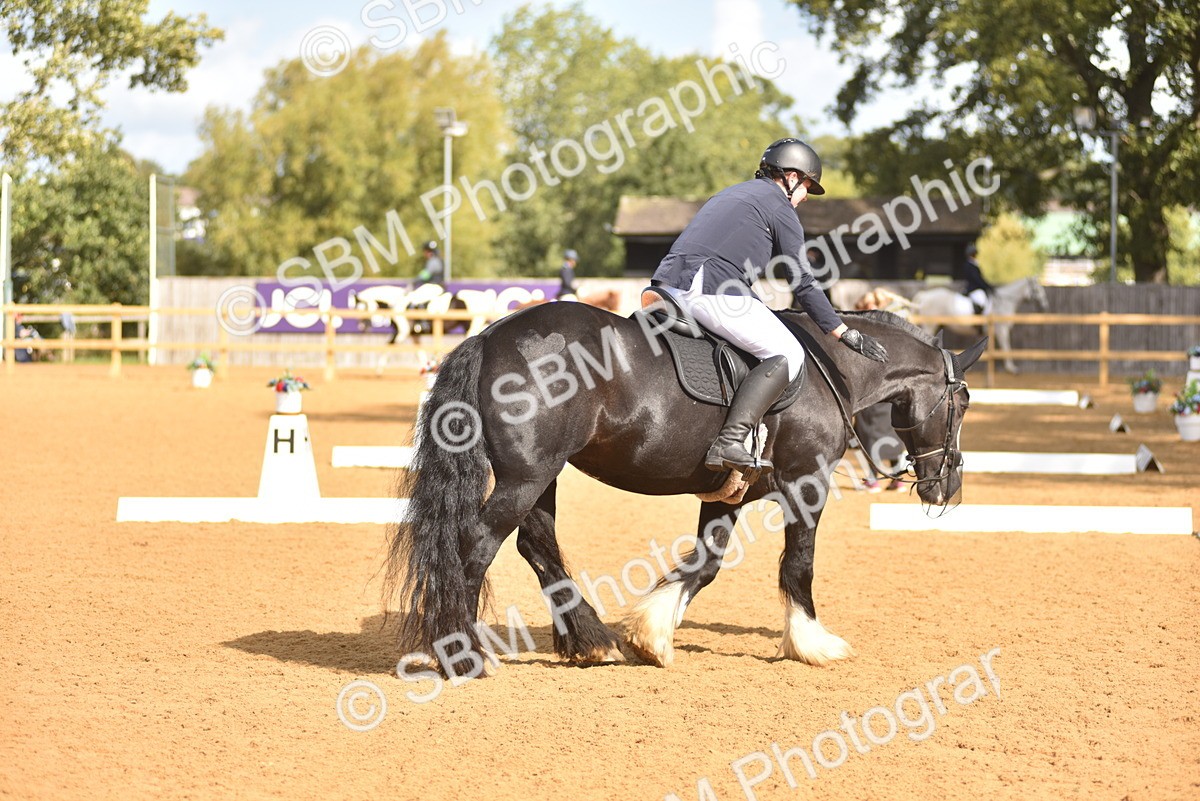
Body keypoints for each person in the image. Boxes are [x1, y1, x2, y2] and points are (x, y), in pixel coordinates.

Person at [650, 137, 889, 478]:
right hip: (709, 289)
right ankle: (730, 440)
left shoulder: (732, 193)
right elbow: (802, 281)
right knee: (789, 352)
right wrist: (842, 330)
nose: (805, 196)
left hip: (665, 285)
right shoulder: (779, 207)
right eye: (808, 185)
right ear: (791, 177)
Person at [962, 242, 994, 314]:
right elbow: (977, 279)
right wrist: (987, 286)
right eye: (975, 253)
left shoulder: (975, 264)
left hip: (977, 288)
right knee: (983, 302)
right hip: (975, 289)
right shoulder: (970, 265)